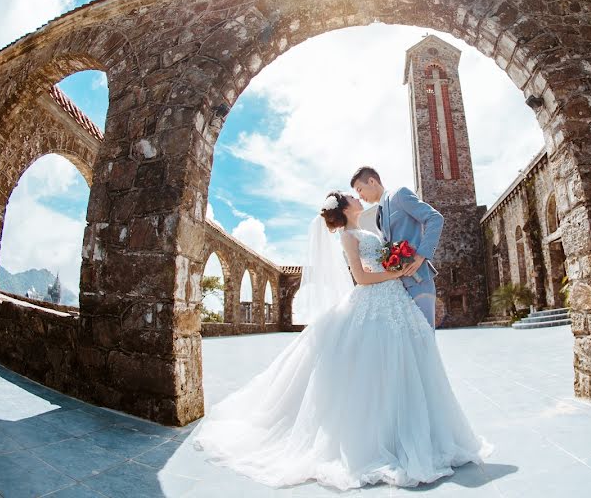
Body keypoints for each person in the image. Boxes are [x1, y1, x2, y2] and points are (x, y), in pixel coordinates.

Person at [193, 191, 490, 490]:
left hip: (392, 296)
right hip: (376, 295)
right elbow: (361, 278)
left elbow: (378, 263)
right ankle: (380, 436)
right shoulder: (348, 237)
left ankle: (410, 431)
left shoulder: (363, 230)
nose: (358, 197)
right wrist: (394, 273)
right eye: (352, 196)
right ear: (345, 209)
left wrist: (394, 265)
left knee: (406, 356)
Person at [351, 166, 443, 328]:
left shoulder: (399, 195)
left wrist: (421, 255)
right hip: (396, 288)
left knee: (424, 338)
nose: (360, 196)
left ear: (371, 181)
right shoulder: (378, 213)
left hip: (418, 280)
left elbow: (435, 218)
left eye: (360, 189)